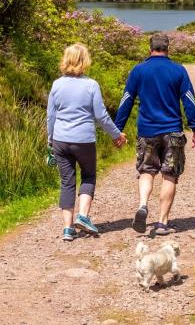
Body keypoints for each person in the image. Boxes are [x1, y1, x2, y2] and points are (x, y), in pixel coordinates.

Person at [114, 33, 195, 235]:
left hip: (147, 131)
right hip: (172, 131)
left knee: (147, 170)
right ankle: (162, 222)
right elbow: (189, 101)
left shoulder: (138, 70)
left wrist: (118, 129)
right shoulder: (178, 70)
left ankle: (143, 205)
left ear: (150, 48)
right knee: (170, 175)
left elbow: (126, 100)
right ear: (168, 48)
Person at [47, 43, 128, 241]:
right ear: (85, 61)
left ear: (66, 60)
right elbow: (101, 116)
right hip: (84, 140)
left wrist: (50, 139)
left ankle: (67, 229)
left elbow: (51, 115)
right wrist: (117, 135)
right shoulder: (91, 85)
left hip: (60, 140)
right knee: (89, 175)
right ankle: (82, 216)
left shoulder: (57, 84)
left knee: (67, 182)